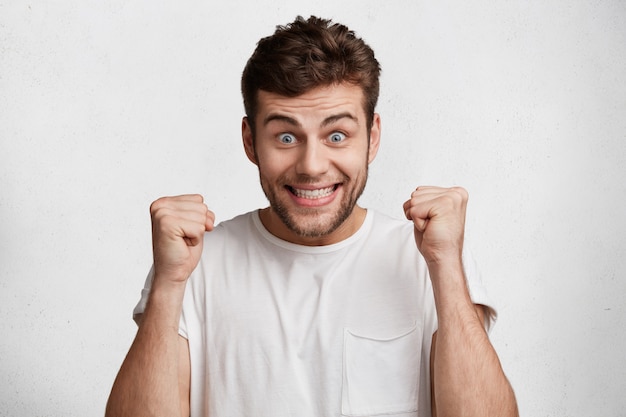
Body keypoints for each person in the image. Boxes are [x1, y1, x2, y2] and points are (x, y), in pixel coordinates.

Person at [106, 15, 518, 417]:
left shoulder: (430, 258)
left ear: (372, 138)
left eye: (336, 135)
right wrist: (168, 284)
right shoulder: (196, 264)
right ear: (251, 142)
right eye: (286, 137)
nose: (312, 165)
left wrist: (446, 266)